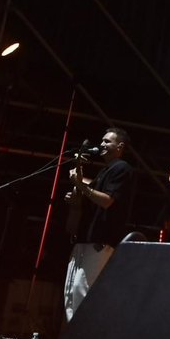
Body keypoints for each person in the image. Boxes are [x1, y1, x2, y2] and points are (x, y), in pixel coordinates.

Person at [63, 128, 133, 321]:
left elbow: (106, 201)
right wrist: (76, 196)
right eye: (101, 141)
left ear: (119, 146)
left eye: (106, 141)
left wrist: (81, 186)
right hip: (84, 239)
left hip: (100, 241)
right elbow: (87, 197)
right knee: (70, 293)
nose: (101, 144)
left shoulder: (121, 168)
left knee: (81, 289)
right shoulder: (104, 171)